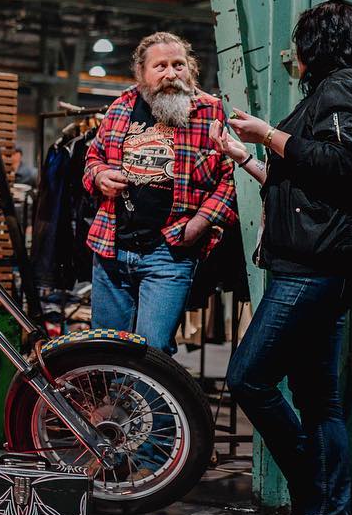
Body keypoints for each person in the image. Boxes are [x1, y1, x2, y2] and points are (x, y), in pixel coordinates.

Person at [212, 0, 352, 515]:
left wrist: (268, 133)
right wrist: (247, 155)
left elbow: (347, 165)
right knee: (319, 401)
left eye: (300, 43)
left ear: (322, 43)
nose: (294, 55)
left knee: (248, 378)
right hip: (320, 262)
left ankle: (316, 501)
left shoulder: (342, 88)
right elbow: (311, 186)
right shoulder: (348, 88)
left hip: (317, 267)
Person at [83, 32, 237, 354]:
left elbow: (232, 180)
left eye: (178, 64)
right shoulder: (120, 108)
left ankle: (153, 407)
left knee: (152, 353)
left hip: (169, 254)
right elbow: (92, 159)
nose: (171, 74)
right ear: (141, 72)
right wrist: (100, 176)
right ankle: (113, 407)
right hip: (112, 250)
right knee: (106, 350)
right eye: (161, 66)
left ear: (191, 68)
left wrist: (200, 223)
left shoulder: (212, 112)